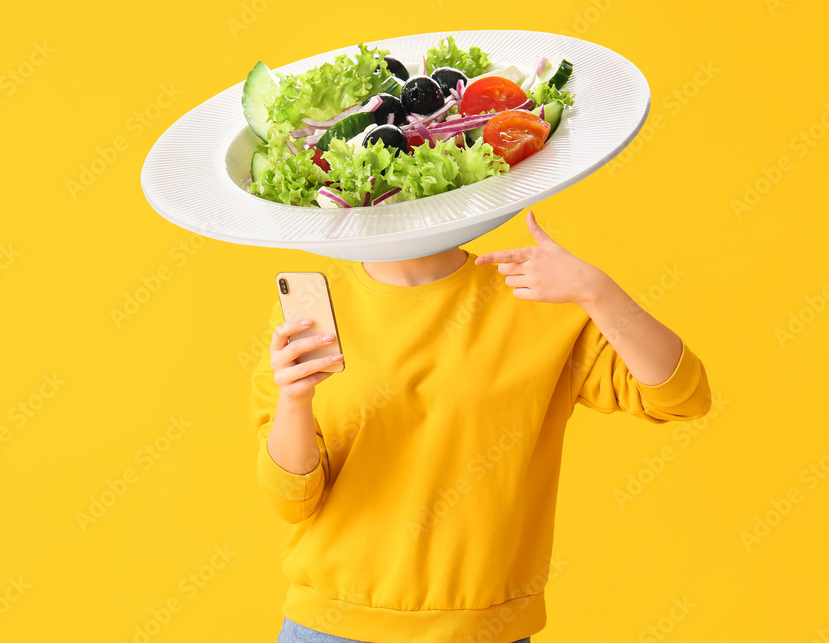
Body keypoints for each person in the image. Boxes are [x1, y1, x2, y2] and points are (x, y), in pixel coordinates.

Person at [250, 210, 712, 643]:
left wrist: (597, 291)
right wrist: (295, 399)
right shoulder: (313, 314)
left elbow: (682, 397)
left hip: (485, 629)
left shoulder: (537, 300)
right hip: (329, 628)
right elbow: (291, 501)